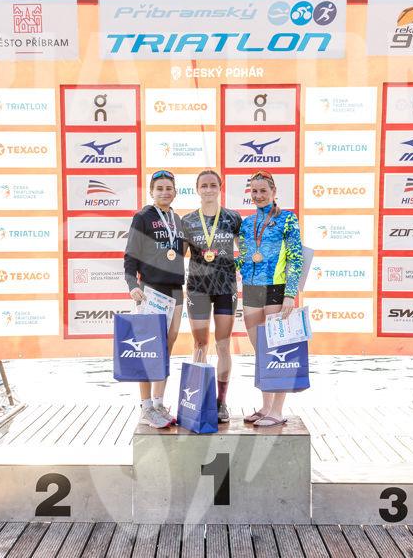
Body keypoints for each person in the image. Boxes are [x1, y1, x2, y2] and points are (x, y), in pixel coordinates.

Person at [236, 170, 303, 427]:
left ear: (273, 192)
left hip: (277, 288)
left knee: (277, 349)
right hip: (251, 289)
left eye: (263, 190)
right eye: (254, 191)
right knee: (261, 351)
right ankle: (265, 407)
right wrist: (219, 262)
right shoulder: (246, 223)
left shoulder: (287, 219)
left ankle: (277, 410)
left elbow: (295, 257)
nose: (258, 195)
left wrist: (290, 294)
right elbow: (244, 258)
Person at [123, 170, 185, 428]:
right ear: (151, 192)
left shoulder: (177, 219)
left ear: (175, 192)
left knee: (166, 349)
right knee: (149, 350)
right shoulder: (142, 217)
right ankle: (146, 407)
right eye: (159, 188)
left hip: (176, 291)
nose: (164, 192)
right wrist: (132, 285)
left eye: (169, 188)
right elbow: (131, 255)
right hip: (151, 290)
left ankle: (159, 404)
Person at [181, 170, 242, 423]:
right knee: (199, 345)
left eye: (212, 185)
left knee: (223, 344)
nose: (208, 189)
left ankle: (221, 402)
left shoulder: (232, 218)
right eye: (204, 185)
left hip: (226, 287)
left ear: (220, 187)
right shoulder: (187, 221)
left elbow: (246, 250)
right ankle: (199, 399)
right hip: (198, 288)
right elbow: (176, 255)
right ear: (197, 189)